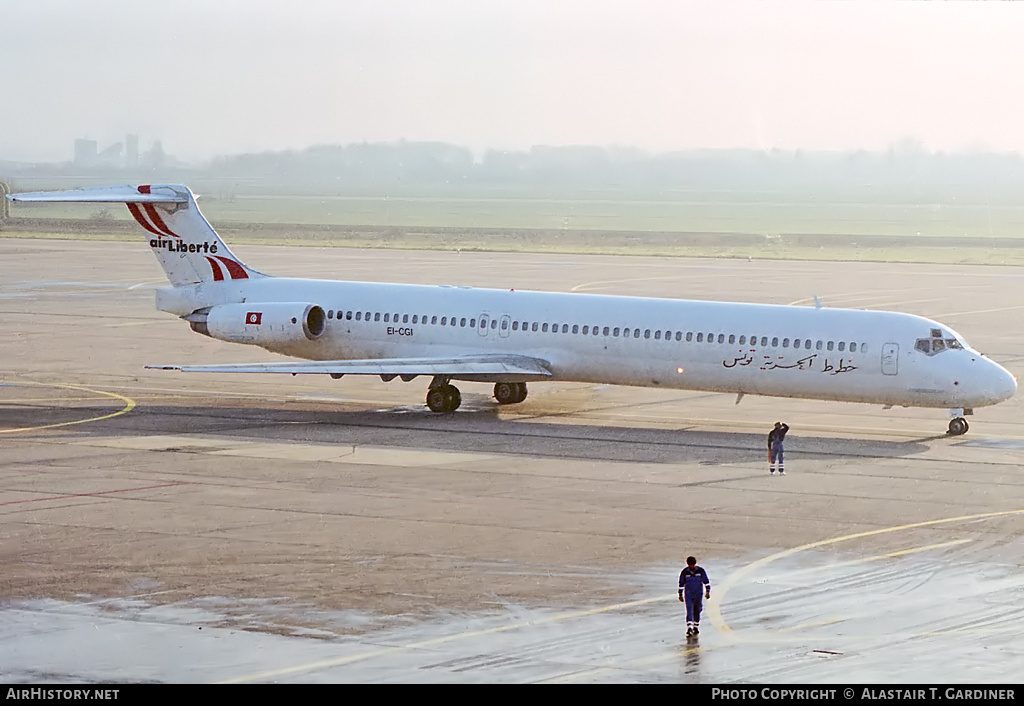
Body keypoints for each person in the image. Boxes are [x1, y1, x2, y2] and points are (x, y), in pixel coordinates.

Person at [678, 556, 711, 636]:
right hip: (689, 594)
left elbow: (706, 581)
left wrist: (707, 591)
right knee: (689, 609)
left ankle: (696, 626)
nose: (692, 566)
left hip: (698, 593)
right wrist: (680, 594)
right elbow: (681, 584)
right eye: (690, 565)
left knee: (698, 609)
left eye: (693, 565)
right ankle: (689, 627)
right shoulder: (685, 572)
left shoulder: (700, 571)